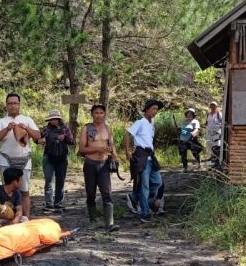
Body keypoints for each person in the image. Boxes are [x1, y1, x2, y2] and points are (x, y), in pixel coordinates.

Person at [0, 93, 41, 219]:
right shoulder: (1, 121)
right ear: (6, 105)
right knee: (7, 191)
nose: (12, 106)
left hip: (24, 159)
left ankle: (25, 219)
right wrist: (7, 129)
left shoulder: (27, 120)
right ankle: (8, 217)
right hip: (6, 160)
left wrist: (26, 128)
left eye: (15, 103)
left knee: (24, 191)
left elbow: (38, 136)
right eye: (10, 103)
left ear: (19, 105)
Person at [78, 103, 118, 231]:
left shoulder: (108, 128)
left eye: (101, 113)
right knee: (91, 193)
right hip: (90, 164)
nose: (99, 115)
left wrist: (115, 156)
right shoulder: (87, 128)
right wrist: (98, 148)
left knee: (107, 193)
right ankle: (93, 221)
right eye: (96, 113)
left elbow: (112, 144)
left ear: (104, 114)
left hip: (104, 164)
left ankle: (109, 223)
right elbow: (82, 149)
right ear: (92, 114)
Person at [124, 99, 165, 222]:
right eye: (153, 108)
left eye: (157, 109)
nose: (155, 111)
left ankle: (134, 197)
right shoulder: (140, 122)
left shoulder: (151, 123)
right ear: (146, 109)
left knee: (157, 182)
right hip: (141, 155)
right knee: (145, 185)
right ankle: (144, 212)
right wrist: (127, 151)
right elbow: (127, 133)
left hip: (150, 155)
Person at [38, 109, 74, 213]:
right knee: (48, 180)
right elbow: (36, 139)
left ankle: (58, 203)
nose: (53, 120)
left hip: (62, 158)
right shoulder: (45, 129)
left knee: (60, 181)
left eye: (55, 118)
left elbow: (72, 141)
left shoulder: (65, 129)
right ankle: (49, 204)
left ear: (59, 119)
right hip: (48, 157)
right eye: (51, 119)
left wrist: (65, 137)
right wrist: (41, 141)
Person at [0, 167, 29, 232]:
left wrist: (15, 220)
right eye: (20, 180)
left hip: (10, 220)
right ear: (15, 182)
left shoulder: (17, 193)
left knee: (25, 219)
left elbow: (19, 211)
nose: (21, 182)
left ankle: (2, 230)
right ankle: (7, 230)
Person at [206, 101, 224, 166]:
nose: (212, 107)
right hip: (209, 132)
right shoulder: (208, 114)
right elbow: (207, 122)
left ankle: (216, 159)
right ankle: (212, 157)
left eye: (214, 106)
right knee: (209, 144)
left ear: (216, 106)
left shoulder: (219, 114)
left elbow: (222, 122)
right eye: (211, 106)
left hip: (217, 132)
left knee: (216, 145)